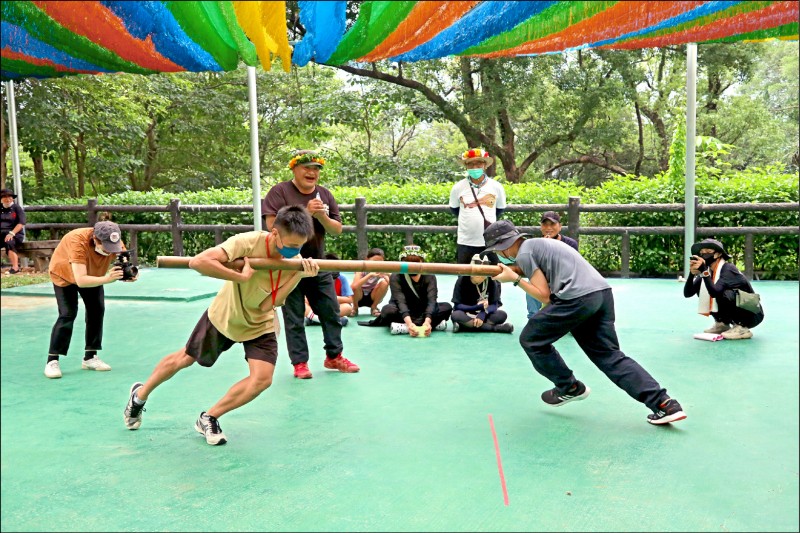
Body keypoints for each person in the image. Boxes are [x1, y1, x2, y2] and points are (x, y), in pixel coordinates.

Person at [123, 206, 318, 445]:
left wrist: (298, 275)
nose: (293, 251)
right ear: (274, 232)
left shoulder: (293, 261)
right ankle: (139, 396)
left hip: (259, 323)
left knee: (262, 379)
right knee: (185, 358)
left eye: (299, 246)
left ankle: (209, 417)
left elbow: (270, 303)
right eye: (290, 244)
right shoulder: (247, 242)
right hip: (225, 315)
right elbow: (198, 262)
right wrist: (240, 277)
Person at [483, 220, 686, 425]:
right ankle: (664, 404)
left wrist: (515, 280)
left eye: (498, 250)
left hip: (576, 299)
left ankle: (569, 387)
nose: (500, 254)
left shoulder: (525, 253)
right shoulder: (541, 245)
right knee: (609, 356)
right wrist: (514, 271)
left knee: (531, 339)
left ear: (504, 245)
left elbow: (544, 296)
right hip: (601, 294)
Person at [262, 149, 359, 379]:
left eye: (316, 168)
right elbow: (271, 226)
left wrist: (322, 216)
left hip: (317, 263)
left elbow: (336, 230)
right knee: (294, 316)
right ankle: (300, 363)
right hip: (289, 263)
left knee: (331, 311)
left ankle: (334, 357)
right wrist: (305, 213)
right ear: (294, 169)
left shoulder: (325, 194)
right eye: (306, 167)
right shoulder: (279, 192)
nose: (312, 172)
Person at [44, 221, 137, 379]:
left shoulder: (115, 240)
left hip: (93, 274)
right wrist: (107, 279)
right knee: (68, 313)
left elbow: (125, 261)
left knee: (97, 310)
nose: (110, 252)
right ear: (95, 239)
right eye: (107, 248)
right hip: (64, 274)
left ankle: (90, 357)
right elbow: (80, 280)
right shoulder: (77, 242)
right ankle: (52, 360)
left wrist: (130, 274)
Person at [360, 245, 452, 336]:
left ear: (422, 262)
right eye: (409, 263)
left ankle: (406, 327)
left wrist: (427, 321)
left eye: (416, 263)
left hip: (423, 310)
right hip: (402, 311)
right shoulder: (396, 276)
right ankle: (428, 325)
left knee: (447, 307)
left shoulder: (429, 276)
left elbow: (432, 301)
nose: (412, 267)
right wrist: (409, 323)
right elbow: (400, 302)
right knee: (387, 310)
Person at [684, 238, 764, 340]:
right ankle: (722, 323)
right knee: (704, 287)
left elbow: (715, 292)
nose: (704, 255)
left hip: (752, 315)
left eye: (708, 252)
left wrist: (704, 271)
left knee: (725, 293)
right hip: (738, 309)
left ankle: (742, 328)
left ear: (718, 254)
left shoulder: (728, 269)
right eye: (701, 253)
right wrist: (692, 274)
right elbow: (688, 293)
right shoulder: (707, 271)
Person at [449, 148, 507, 264]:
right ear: (466, 166)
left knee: (494, 276)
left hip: (490, 241)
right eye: (470, 164)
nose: (475, 167)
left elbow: (499, 209)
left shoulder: (496, 187)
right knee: (464, 276)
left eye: (479, 163)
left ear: (485, 165)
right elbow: (455, 209)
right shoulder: (458, 187)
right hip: (466, 241)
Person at [527, 211, 580, 319]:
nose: (548, 228)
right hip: (545, 280)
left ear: (560, 226)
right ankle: (533, 318)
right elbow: (534, 268)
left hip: (566, 280)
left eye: (552, 224)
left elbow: (573, 268)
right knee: (531, 282)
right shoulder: (534, 244)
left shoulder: (571, 244)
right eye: (545, 224)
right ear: (541, 227)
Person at [451, 254, 513, 333]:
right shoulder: (462, 279)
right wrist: (477, 307)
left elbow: (494, 304)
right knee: (456, 315)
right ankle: (495, 328)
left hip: (484, 314)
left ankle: (466, 326)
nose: (479, 275)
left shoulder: (491, 281)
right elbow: (457, 305)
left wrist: (483, 313)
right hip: (466, 312)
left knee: (502, 314)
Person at [304, 252, 352, 326]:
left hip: (333, 307)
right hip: (316, 307)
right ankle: (321, 319)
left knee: (348, 307)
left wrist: (331, 297)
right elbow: (306, 299)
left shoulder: (342, 279)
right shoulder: (314, 277)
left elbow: (349, 299)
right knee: (303, 305)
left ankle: (314, 319)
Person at [349, 247, 390, 317]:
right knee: (355, 286)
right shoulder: (360, 269)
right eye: (374, 262)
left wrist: (386, 275)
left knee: (385, 283)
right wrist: (369, 275)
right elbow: (354, 287)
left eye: (380, 263)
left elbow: (391, 285)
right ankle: (355, 307)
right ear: (367, 259)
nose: (376, 265)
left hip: (372, 296)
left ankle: (374, 307)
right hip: (359, 297)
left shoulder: (380, 269)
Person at [1, 188, 25, 274]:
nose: (7, 199)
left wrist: (12, 233)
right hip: (1, 233)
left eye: (9, 197)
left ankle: (15, 267)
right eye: (4, 197)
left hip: (15, 234)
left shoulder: (17, 208)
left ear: (12, 198)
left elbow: (21, 223)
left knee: (9, 242)